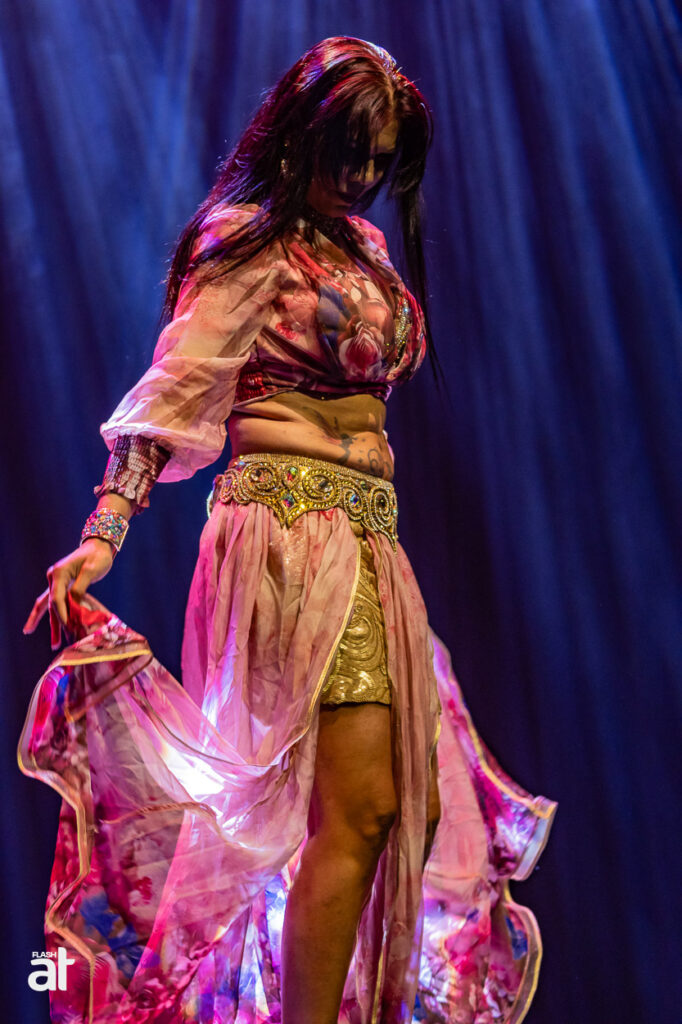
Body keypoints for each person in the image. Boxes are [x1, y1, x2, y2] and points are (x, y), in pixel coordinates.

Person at [21, 36, 557, 1024]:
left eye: (379, 160)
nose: (361, 176)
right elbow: (172, 391)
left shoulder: (367, 249)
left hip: (369, 542)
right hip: (289, 532)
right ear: (299, 134)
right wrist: (105, 530)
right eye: (349, 152)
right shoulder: (246, 243)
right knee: (359, 806)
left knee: (405, 811)